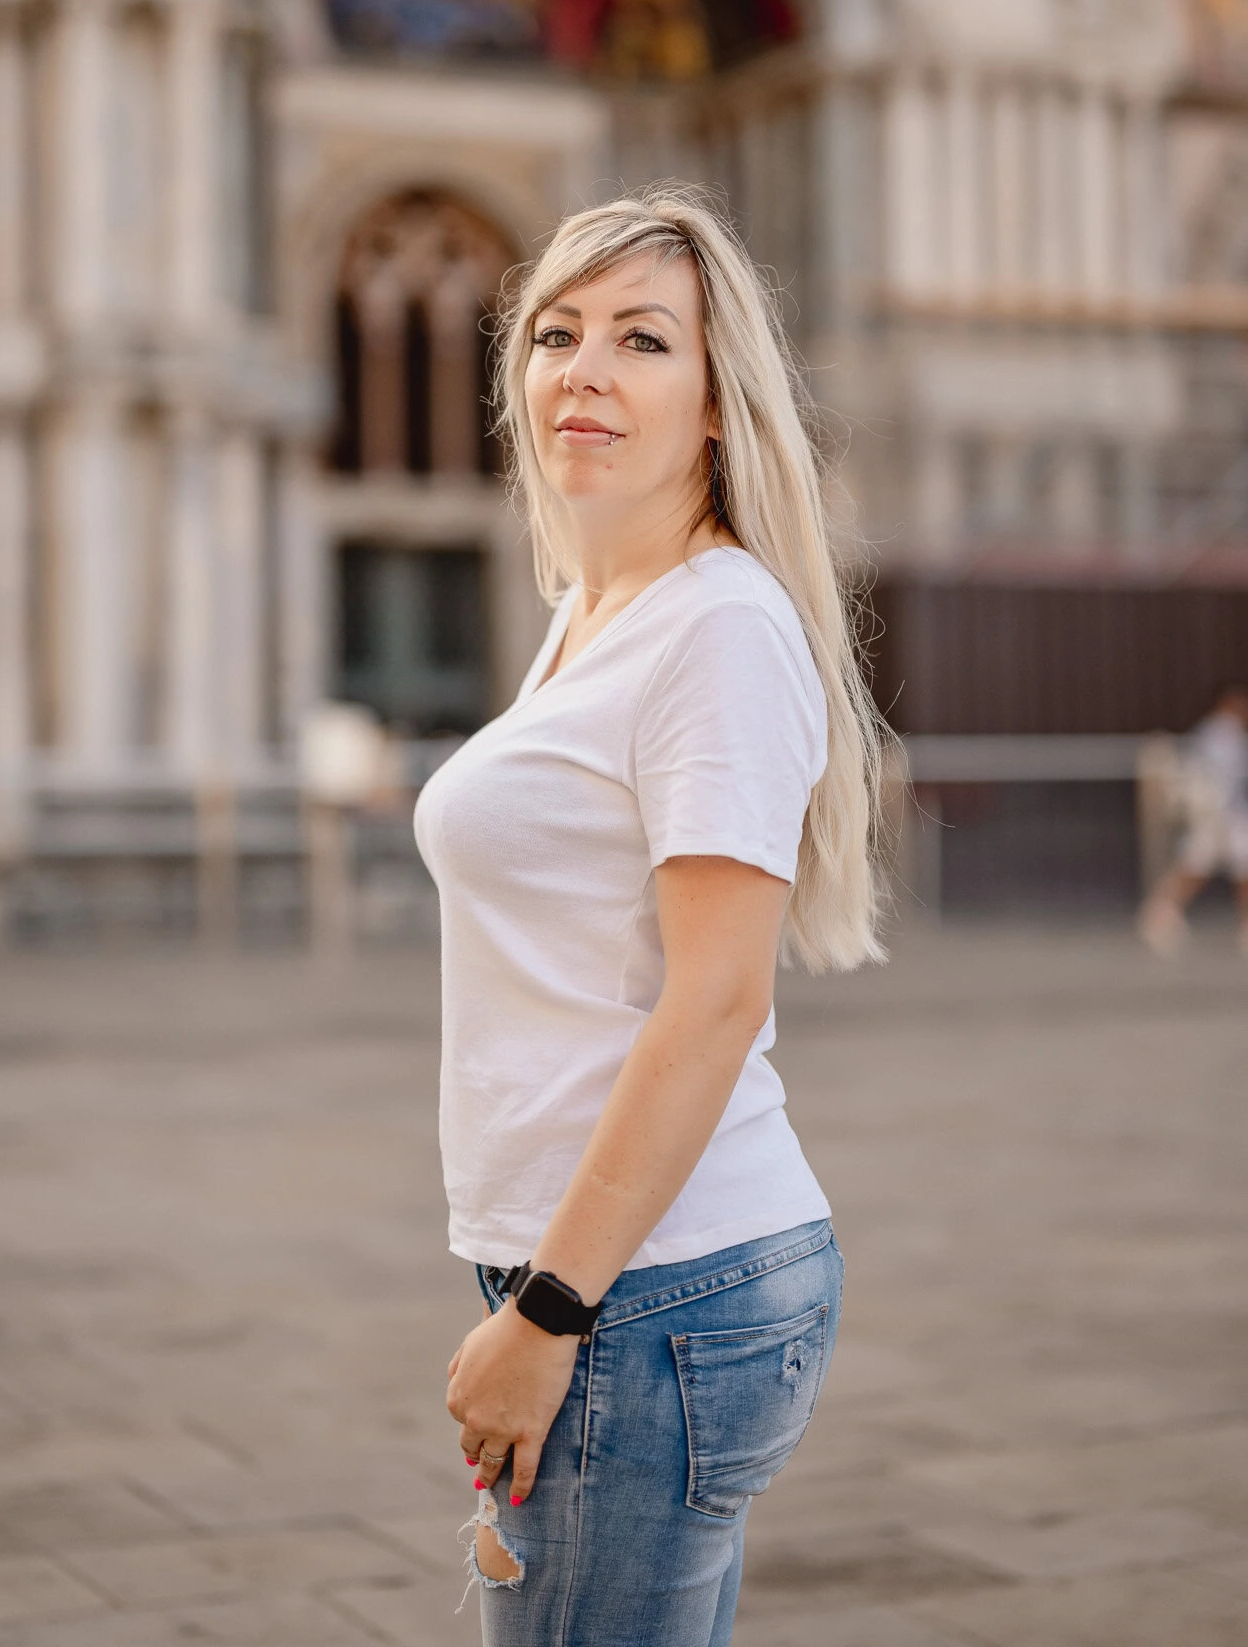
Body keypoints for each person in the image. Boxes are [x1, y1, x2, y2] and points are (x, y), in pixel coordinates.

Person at [413, 186, 888, 1646]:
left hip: (651, 1297)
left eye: (640, 337)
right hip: (625, 1279)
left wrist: (548, 1314)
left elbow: (715, 1000)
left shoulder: (719, 628)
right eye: (556, 333)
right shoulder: (593, 606)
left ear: (713, 400)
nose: (586, 368)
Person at [1138, 682, 1248, 956]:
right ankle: (1158, 916)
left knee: (1230, 870)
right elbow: (1212, 779)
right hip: (1216, 817)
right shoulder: (1218, 734)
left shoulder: (1224, 736)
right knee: (1192, 869)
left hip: (1229, 817)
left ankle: (1159, 915)